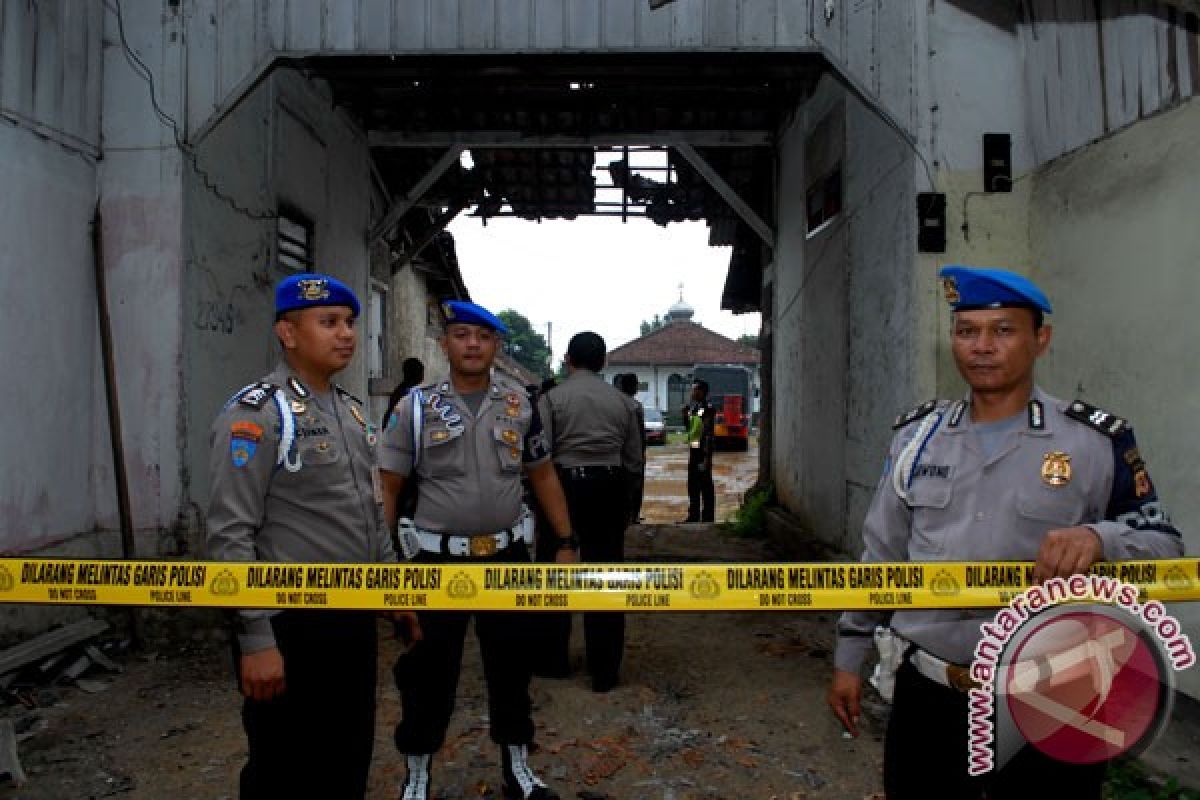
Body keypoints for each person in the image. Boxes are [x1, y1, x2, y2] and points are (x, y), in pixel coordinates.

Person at [827, 265, 1184, 799]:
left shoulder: (1093, 441)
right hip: (932, 692)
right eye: (967, 331)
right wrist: (848, 658)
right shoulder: (916, 439)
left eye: (1003, 330)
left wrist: (1099, 539)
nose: (982, 347)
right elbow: (881, 558)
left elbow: (1164, 546)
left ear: (1041, 340)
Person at [207, 272, 397, 799]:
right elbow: (230, 535)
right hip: (290, 627)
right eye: (329, 322)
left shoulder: (353, 413)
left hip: (352, 622)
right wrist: (255, 638)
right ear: (288, 334)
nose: (347, 334)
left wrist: (396, 592)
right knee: (282, 768)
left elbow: (368, 512)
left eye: (350, 323)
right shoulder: (257, 414)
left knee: (346, 759)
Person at [379, 300, 579, 800]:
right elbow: (387, 488)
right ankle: (418, 776)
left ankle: (518, 770)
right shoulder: (415, 407)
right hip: (434, 562)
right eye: (462, 334)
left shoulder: (521, 404)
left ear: (496, 346)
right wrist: (384, 568)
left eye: (483, 337)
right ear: (445, 344)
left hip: (507, 558)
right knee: (428, 672)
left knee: (511, 666)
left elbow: (542, 473)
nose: (472, 344)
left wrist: (567, 540)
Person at [538, 334, 644, 692]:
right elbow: (634, 462)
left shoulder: (551, 400)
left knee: (555, 572)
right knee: (607, 574)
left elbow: (540, 458)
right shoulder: (625, 404)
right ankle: (605, 670)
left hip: (562, 489)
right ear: (604, 363)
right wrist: (627, 504)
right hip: (609, 489)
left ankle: (553, 660)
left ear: (568, 360)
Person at [681, 379, 716, 523]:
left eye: (695, 390)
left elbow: (707, 433)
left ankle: (707, 517)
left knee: (705, 484)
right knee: (693, 484)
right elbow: (691, 428)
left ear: (702, 392)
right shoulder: (697, 408)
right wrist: (685, 416)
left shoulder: (707, 408)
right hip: (695, 450)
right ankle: (693, 515)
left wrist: (707, 457)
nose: (692, 392)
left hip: (703, 452)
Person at [616, 372, 646, 525]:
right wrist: (642, 452)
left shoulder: (616, 404)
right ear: (633, 387)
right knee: (635, 487)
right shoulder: (635, 406)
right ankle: (633, 516)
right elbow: (641, 434)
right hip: (634, 454)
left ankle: (626, 516)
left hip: (618, 455)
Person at [384, 356, 426, 428]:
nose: (423, 376)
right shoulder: (405, 394)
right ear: (416, 375)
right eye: (421, 372)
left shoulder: (404, 390)